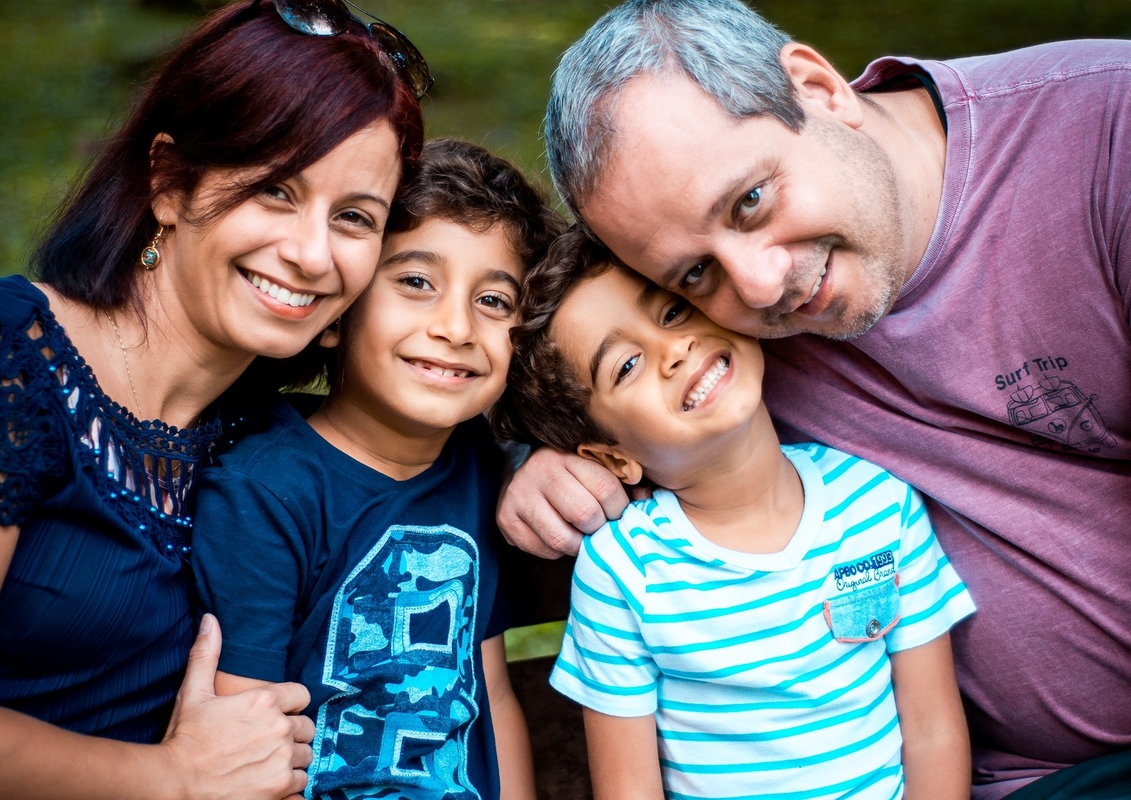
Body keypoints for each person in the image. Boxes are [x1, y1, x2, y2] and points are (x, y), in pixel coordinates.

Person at [497, 0, 1131, 797]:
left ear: (819, 88)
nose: (761, 286)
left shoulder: (1105, 139)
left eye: (750, 202)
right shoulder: (734, 348)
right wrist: (528, 461)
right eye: (694, 275)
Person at [0, 1, 425, 797]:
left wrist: (542, 468)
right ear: (168, 182)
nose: (311, 254)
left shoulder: (266, 444)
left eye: (354, 218)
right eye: (275, 191)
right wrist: (170, 779)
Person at [491, 228, 975, 799]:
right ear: (614, 459)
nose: (675, 349)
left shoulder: (878, 505)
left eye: (673, 312)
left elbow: (933, 730)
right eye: (626, 365)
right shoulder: (625, 569)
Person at [190, 138, 565, 800]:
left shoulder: (480, 470)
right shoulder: (265, 491)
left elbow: (488, 690)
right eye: (417, 283)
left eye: (494, 301)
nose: (456, 327)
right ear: (338, 312)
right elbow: (241, 739)